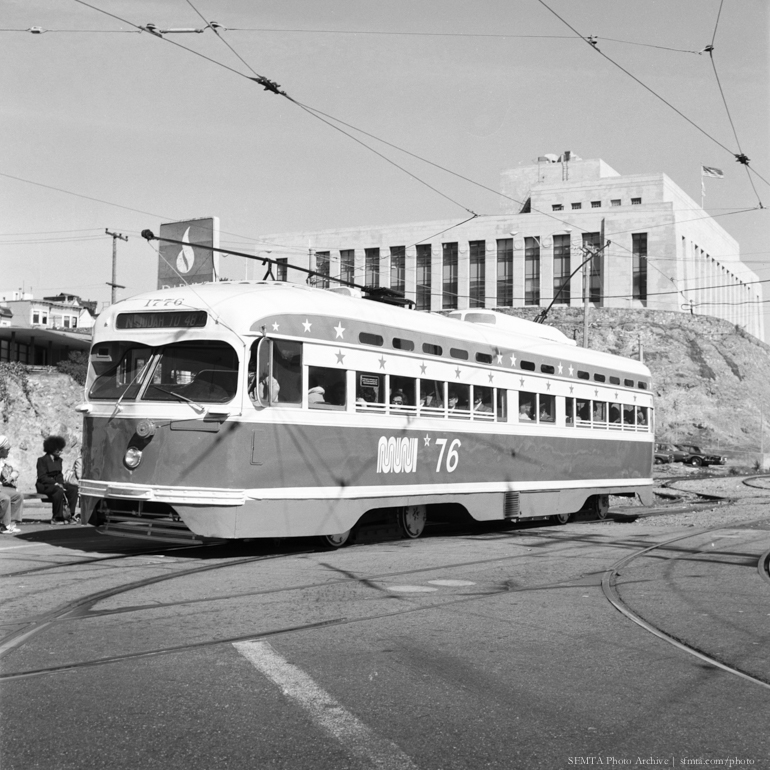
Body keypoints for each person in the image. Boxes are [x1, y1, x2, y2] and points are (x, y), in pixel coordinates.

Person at [35, 435, 73, 524]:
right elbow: (42, 477)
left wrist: (61, 483)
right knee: (58, 490)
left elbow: (59, 475)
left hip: (56, 484)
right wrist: (55, 483)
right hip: (44, 486)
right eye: (59, 449)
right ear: (52, 449)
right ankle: (57, 517)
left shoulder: (59, 460)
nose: (61, 451)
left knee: (72, 489)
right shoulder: (42, 460)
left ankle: (70, 515)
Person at [0, 435, 23, 534]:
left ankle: (11, 523)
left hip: (1, 487)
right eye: (7, 449)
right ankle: (3, 525)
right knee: (5, 498)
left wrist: (12, 476)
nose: (8, 451)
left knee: (18, 496)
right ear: (1, 450)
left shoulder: (4, 460)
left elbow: (14, 471)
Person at [63, 455, 82, 523]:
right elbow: (80, 475)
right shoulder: (80, 460)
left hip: (81, 484)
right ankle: (70, 514)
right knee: (76, 490)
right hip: (76, 483)